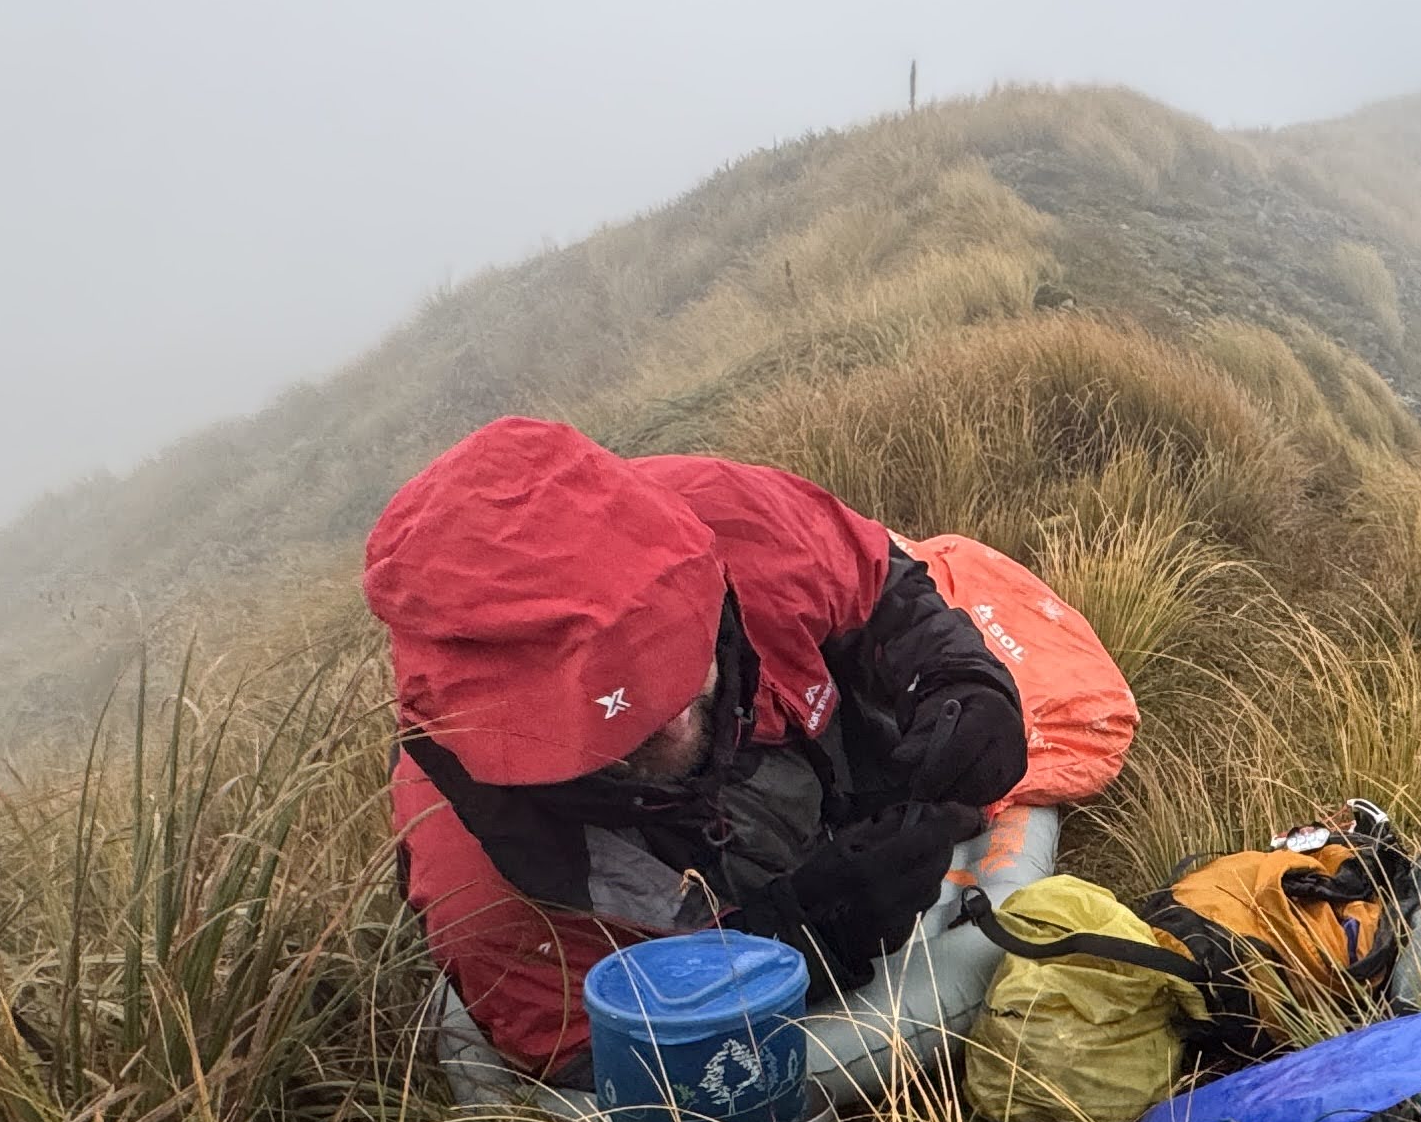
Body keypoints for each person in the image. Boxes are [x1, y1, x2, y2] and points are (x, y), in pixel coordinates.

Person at [368, 417, 1028, 1081]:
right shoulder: (477, 878)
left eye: (676, 661)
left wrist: (958, 679)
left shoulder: (732, 517)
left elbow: (882, 584)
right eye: (620, 726)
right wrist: (795, 940)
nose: (677, 723)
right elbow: (592, 1057)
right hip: (685, 928)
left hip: (824, 771)